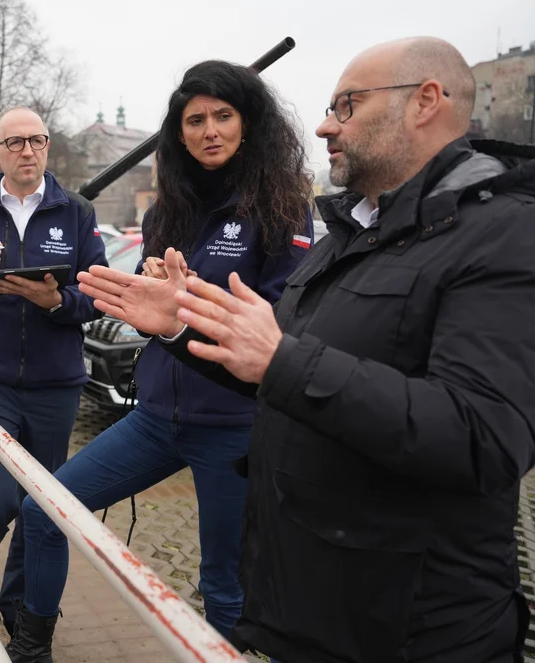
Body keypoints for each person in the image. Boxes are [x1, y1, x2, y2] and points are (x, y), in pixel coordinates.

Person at [77, 37, 535, 663]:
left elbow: (484, 437)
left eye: (346, 106)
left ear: (425, 102)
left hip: (416, 626)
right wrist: (178, 328)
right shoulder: (349, 236)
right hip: (323, 601)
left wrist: (280, 358)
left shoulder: (504, 233)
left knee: (222, 590)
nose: (324, 125)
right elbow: (268, 369)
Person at [8, 60, 314, 662]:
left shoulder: (283, 208)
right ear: (178, 133)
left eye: (223, 116)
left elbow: (285, 323)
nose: (209, 130)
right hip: (154, 418)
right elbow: (157, 310)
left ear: (249, 125)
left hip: (234, 428)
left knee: (224, 586)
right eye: (194, 119)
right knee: (43, 508)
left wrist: (190, 304)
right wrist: (154, 297)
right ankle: (30, 647)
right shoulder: (163, 211)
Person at [0, 107, 108, 660]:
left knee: (40, 505)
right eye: (15, 142)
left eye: (37, 141)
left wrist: (55, 301)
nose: (27, 150)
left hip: (56, 385)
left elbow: (95, 295)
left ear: (48, 147)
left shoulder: (76, 213)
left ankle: (19, 607)